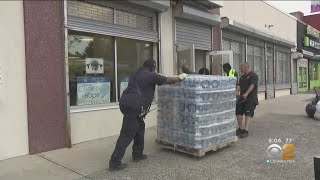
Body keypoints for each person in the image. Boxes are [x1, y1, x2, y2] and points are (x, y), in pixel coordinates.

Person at [109, 59, 188, 171]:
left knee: (140, 129)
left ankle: (138, 154)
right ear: (152, 67)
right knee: (127, 134)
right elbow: (169, 80)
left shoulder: (136, 73)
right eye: (154, 68)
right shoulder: (152, 75)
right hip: (135, 106)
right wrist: (180, 77)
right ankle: (114, 162)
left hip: (126, 103)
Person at [236, 62, 258, 138]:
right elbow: (239, 85)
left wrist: (246, 93)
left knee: (248, 113)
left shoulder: (253, 75)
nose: (240, 69)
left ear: (246, 67)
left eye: (241, 67)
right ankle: (240, 128)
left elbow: (252, 85)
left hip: (250, 98)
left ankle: (246, 130)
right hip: (241, 98)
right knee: (238, 112)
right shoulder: (242, 77)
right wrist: (236, 91)